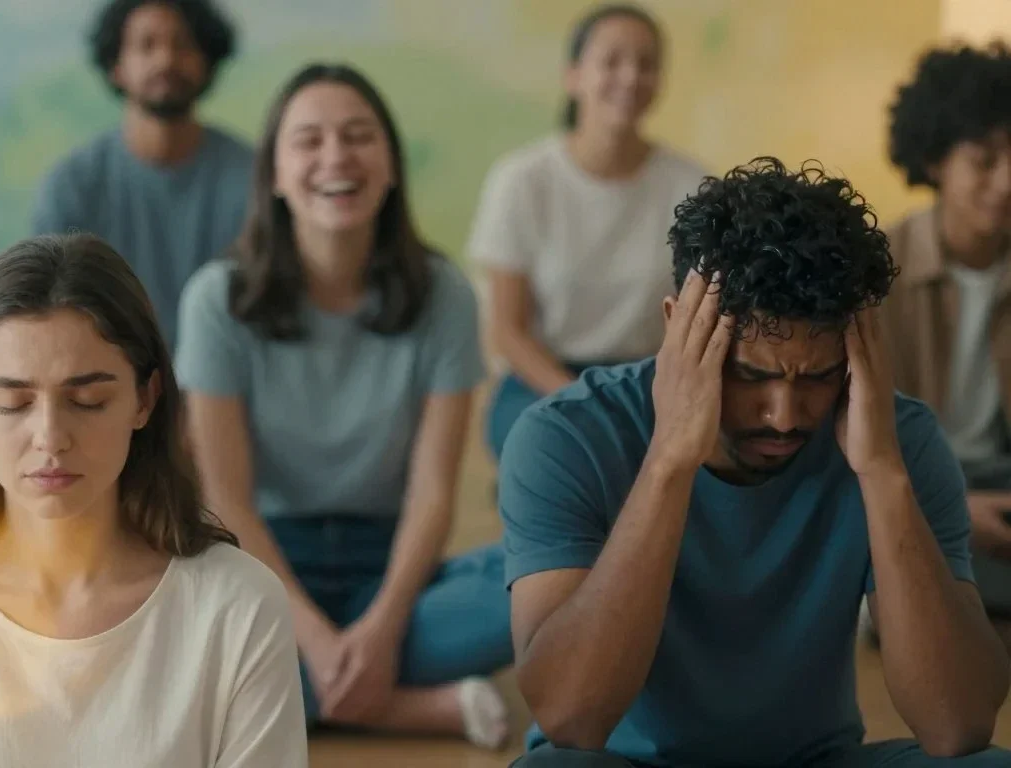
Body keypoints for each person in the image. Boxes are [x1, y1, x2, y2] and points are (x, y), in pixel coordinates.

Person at [503, 158, 1010, 767]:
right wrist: (668, 462)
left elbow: (957, 726)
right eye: (748, 375)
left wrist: (881, 473)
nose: (784, 416)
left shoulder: (899, 440)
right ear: (678, 327)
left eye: (819, 377)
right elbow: (569, 717)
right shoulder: (568, 436)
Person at [0, 234, 308, 767]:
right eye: (14, 402)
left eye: (88, 401)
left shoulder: (237, 609)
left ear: (145, 399)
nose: (50, 437)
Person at [177, 63, 514, 750]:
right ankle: (419, 709)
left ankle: (304, 693)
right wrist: (316, 638)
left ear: (390, 167)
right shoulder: (217, 299)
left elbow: (432, 494)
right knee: (171, 634)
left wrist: (383, 627)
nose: (336, 157)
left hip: (389, 567)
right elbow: (226, 499)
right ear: (275, 174)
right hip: (261, 565)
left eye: (359, 136)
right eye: (309, 140)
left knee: (541, 583)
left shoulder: (445, 296)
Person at [466, 3, 707, 460]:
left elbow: (701, 317)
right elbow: (506, 330)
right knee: (558, 450)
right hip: (541, 379)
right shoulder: (522, 180)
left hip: (651, 377)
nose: (630, 77)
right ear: (573, 76)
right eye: (612, 61)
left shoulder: (693, 187)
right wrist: (583, 397)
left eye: (646, 63)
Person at [879, 43, 1011, 652]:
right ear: (935, 160)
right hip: (912, 484)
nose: (1006, 182)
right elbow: (851, 438)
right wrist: (953, 502)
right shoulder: (877, 270)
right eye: (985, 160)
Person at [31, 0, 253, 350]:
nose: (165, 60)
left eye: (183, 44)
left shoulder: (253, 180)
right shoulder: (72, 186)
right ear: (116, 65)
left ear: (207, 61)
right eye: (146, 45)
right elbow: (48, 314)